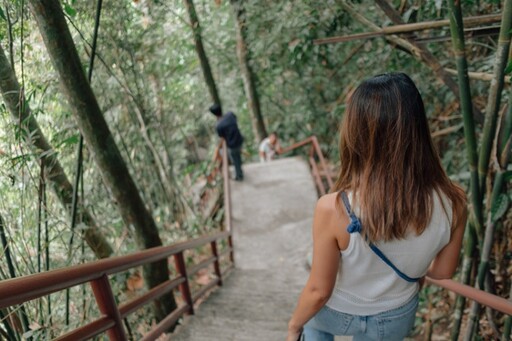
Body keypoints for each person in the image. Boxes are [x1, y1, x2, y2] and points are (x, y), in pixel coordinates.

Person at [286, 73, 467, 341]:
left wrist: (293, 325)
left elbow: (318, 292)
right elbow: (442, 272)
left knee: (312, 323)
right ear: (418, 127)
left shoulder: (334, 208)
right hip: (396, 316)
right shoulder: (455, 201)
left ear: (355, 132)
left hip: (336, 311)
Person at [209, 104, 244, 181]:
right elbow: (235, 120)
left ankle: (239, 176)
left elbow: (222, 138)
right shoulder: (230, 114)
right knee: (238, 157)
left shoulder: (219, 125)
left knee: (235, 160)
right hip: (239, 139)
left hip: (232, 145)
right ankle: (240, 173)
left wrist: (218, 147)